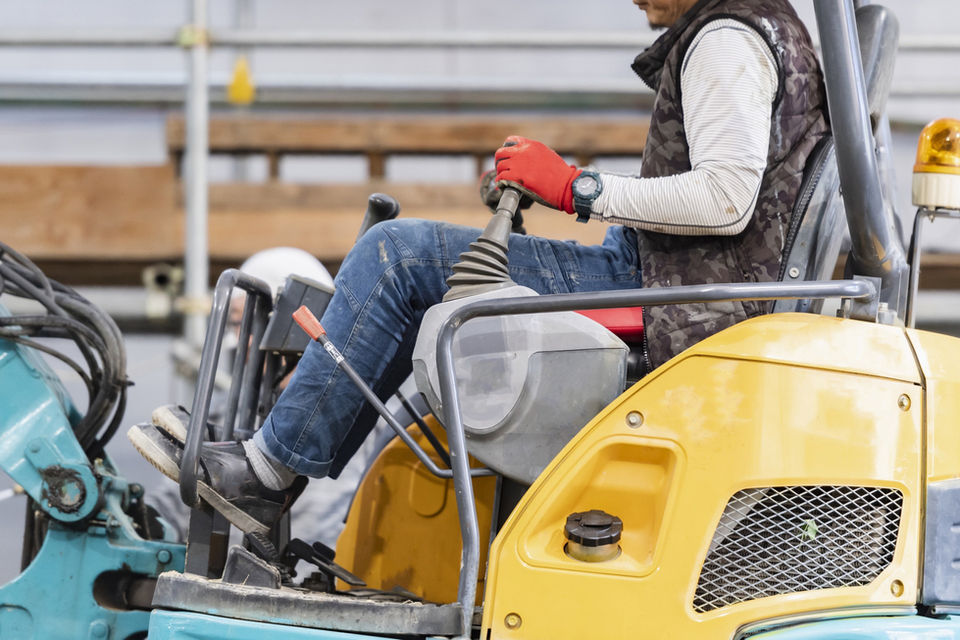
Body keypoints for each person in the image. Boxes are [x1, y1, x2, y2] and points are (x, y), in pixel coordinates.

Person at [129, 0, 829, 535]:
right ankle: (278, 465)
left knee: (395, 255)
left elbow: (724, 200)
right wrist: (561, 188)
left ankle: (266, 474)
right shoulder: (767, 30)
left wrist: (577, 188)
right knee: (415, 271)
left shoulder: (725, 41)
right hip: (674, 282)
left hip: (675, 300)